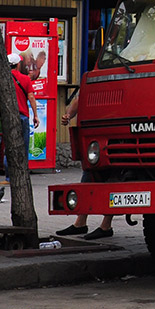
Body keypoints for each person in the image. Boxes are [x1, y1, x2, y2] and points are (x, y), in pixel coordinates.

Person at [56, 96, 115, 240]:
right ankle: (80, 222)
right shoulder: (97, 77)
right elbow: (79, 99)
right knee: (88, 177)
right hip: (94, 138)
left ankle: (106, 225)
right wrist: (68, 114)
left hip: (112, 135)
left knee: (113, 180)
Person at [3, 51, 38, 180]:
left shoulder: (4, 79)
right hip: (23, 116)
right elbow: (31, 97)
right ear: (18, 64)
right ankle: (22, 175)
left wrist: (1, 103)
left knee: (9, 146)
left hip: (9, 117)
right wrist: (35, 115)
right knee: (23, 146)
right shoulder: (25, 79)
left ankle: (9, 176)